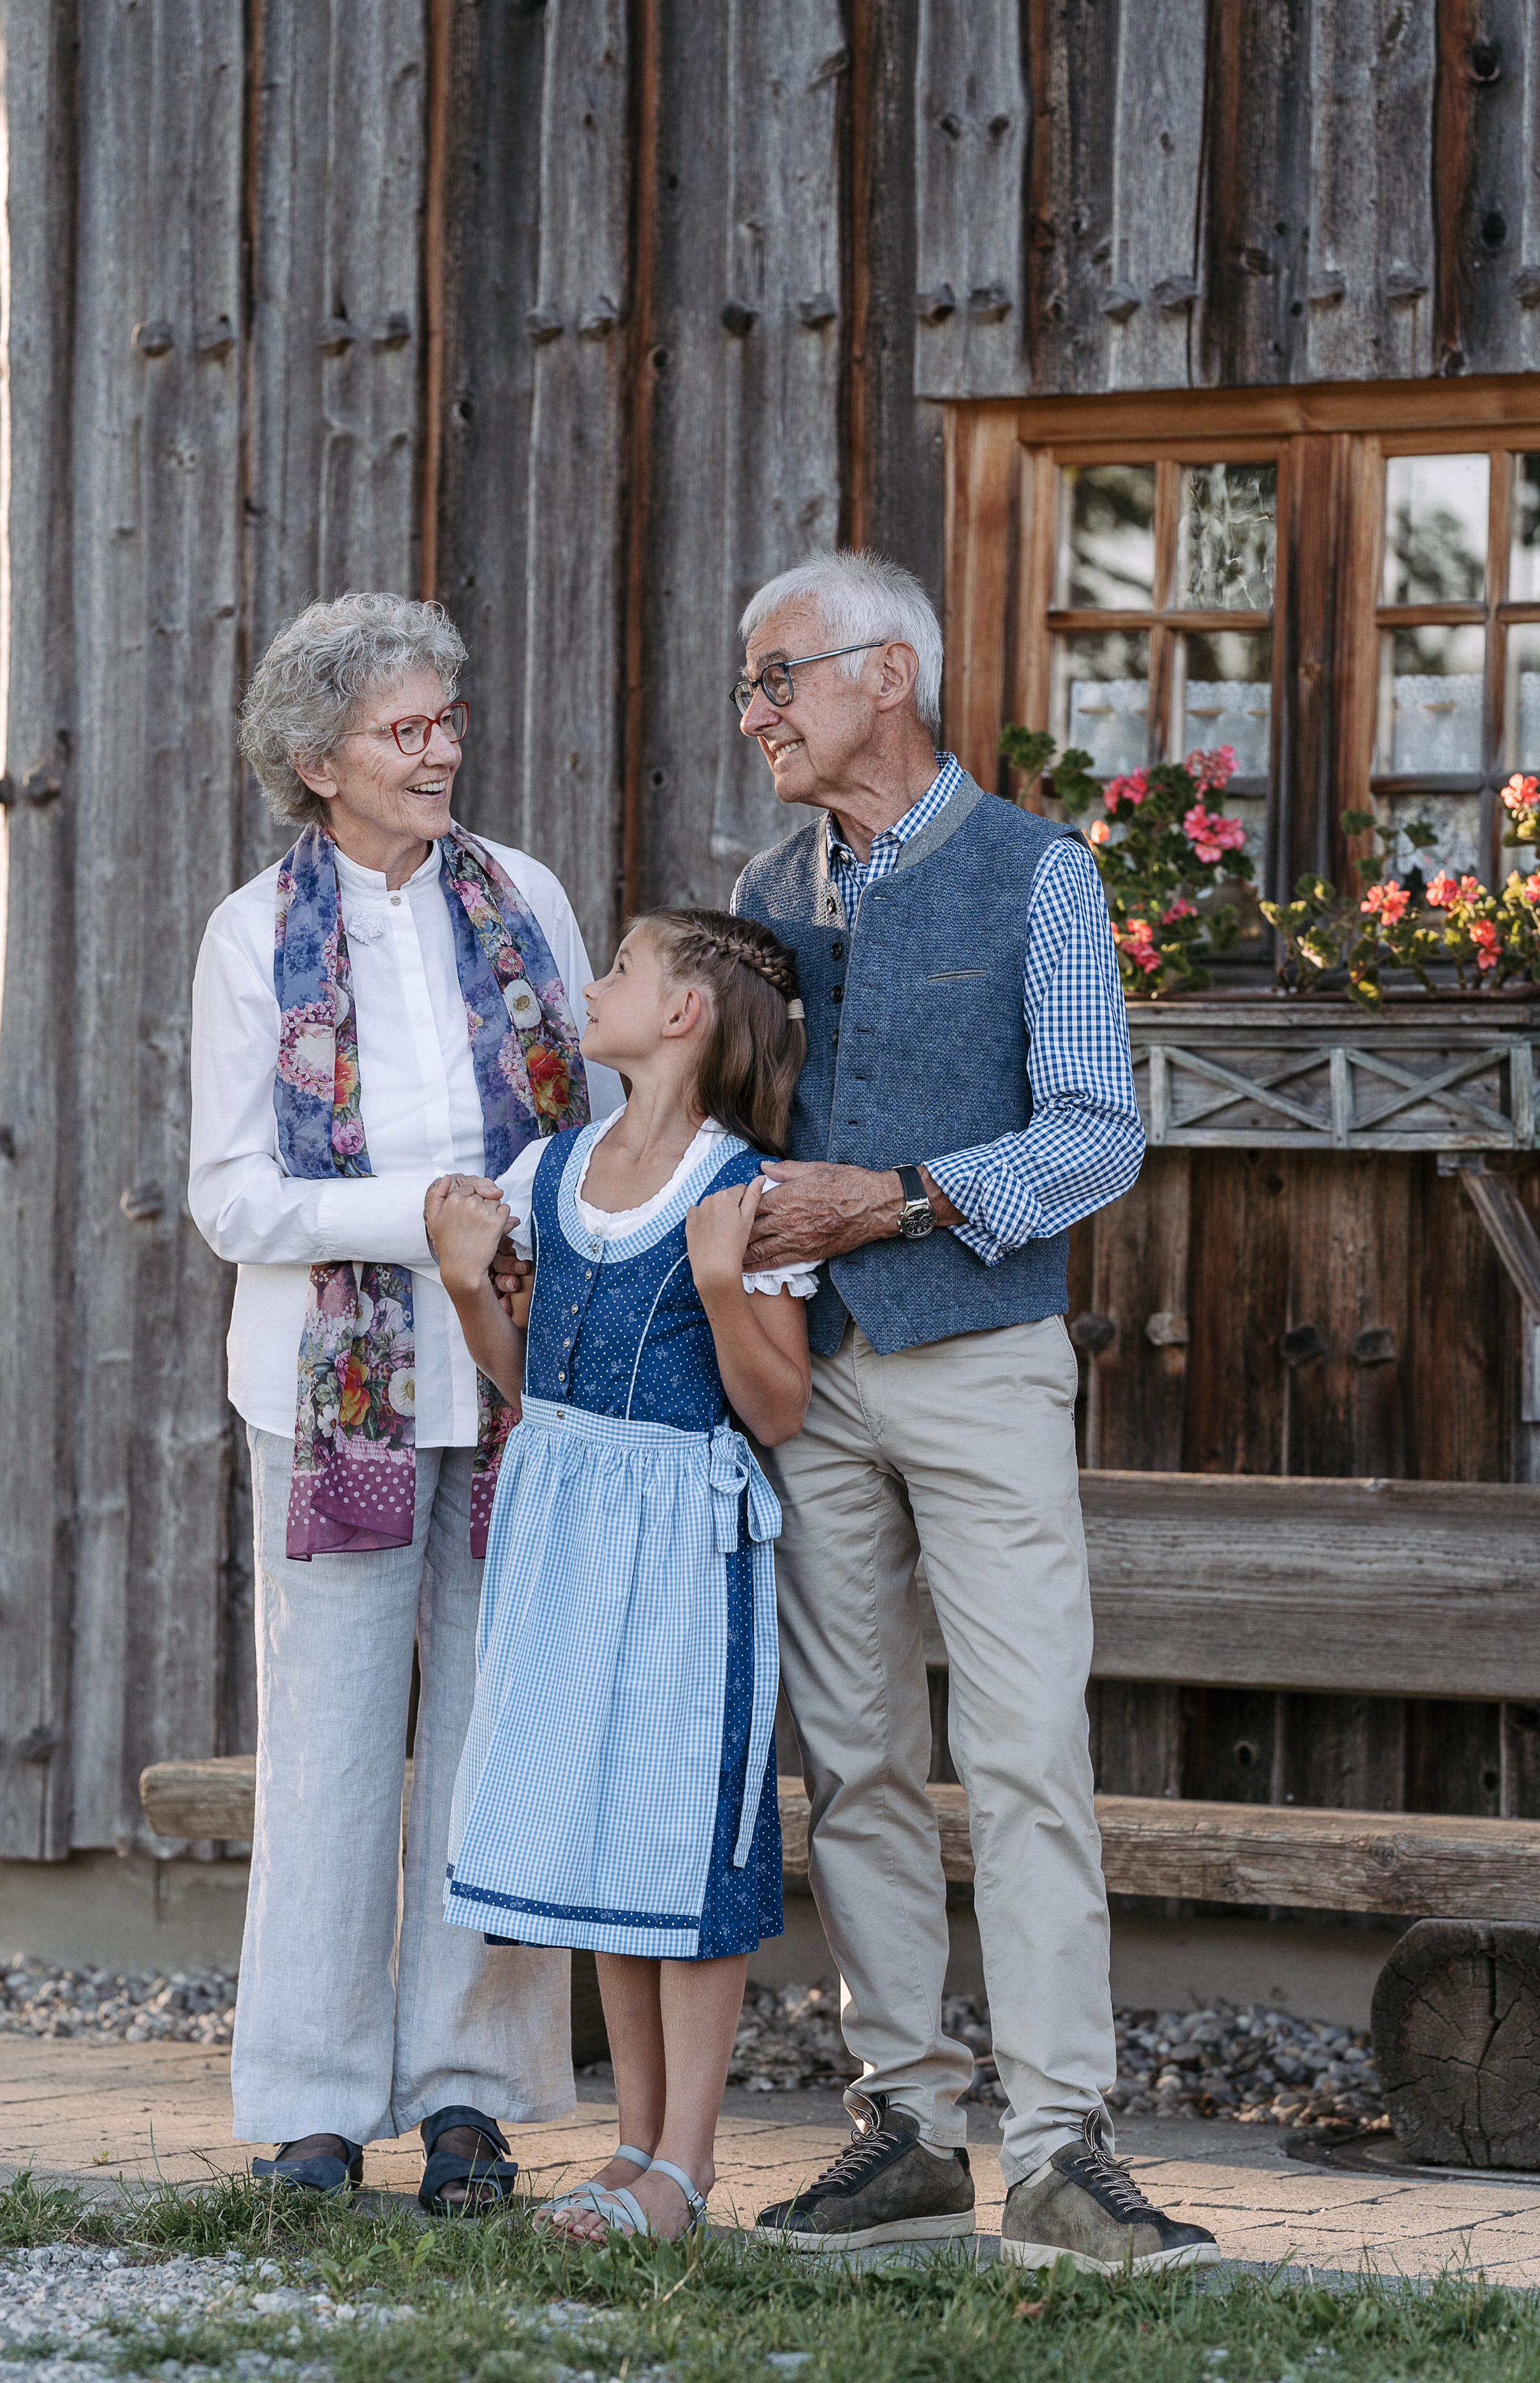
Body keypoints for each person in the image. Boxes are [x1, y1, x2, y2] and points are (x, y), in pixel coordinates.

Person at [729, 550, 1219, 2273]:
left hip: (982, 1361)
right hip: (812, 1378)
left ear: (886, 675)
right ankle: (909, 2128)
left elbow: (1096, 1132)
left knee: (1023, 1753)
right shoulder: (765, 887)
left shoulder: (1037, 871)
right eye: (750, 685)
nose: (755, 712)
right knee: (852, 1758)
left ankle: (1066, 2145)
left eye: (777, 677)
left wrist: (899, 1199)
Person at [188, 592, 622, 2210]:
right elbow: (233, 1196)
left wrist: (523, 1226)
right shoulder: (252, 935)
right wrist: (428, 1221)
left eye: (448, 719)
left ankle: (469, 2095)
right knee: (328, 1748)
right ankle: (310, 2103)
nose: (441, 750)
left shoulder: (525, 897)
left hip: (511, 1380)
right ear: (319, 761)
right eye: (405, 728)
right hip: (333, 1396)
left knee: (490, 1741)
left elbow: (599, 1122)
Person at [423, 909, 814, 2243]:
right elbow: (527, 1383)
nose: (592, 987)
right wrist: (467, 1288)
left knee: (682, 1838)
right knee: (606, 1827)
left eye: (622, 971)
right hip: (564, 1528)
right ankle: (630, 2146)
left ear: (685, 1013)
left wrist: (720, 1284)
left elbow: (778, 1410)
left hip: (685, 1541)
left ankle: (685, 2168)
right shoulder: (551, 1169)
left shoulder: (746, 1191)